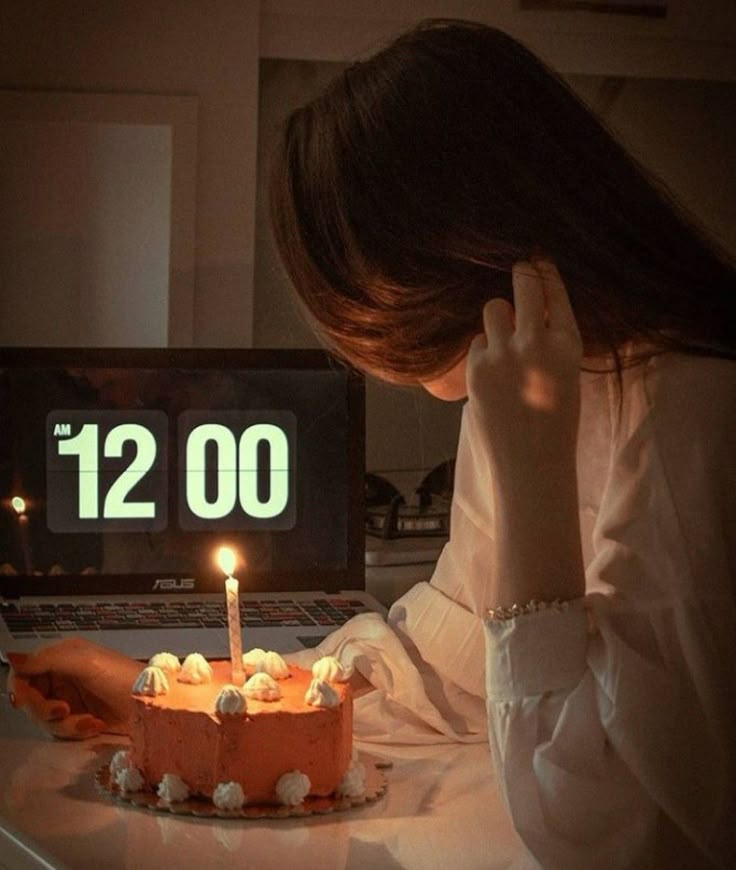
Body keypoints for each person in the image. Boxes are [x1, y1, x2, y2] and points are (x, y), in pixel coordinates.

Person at [6, 18, 736, 869]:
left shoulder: (690, 414)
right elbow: (453, 668)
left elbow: (605, 831)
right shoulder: (516, 386)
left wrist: (534, 489)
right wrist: (184, 700)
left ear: (448, 253)